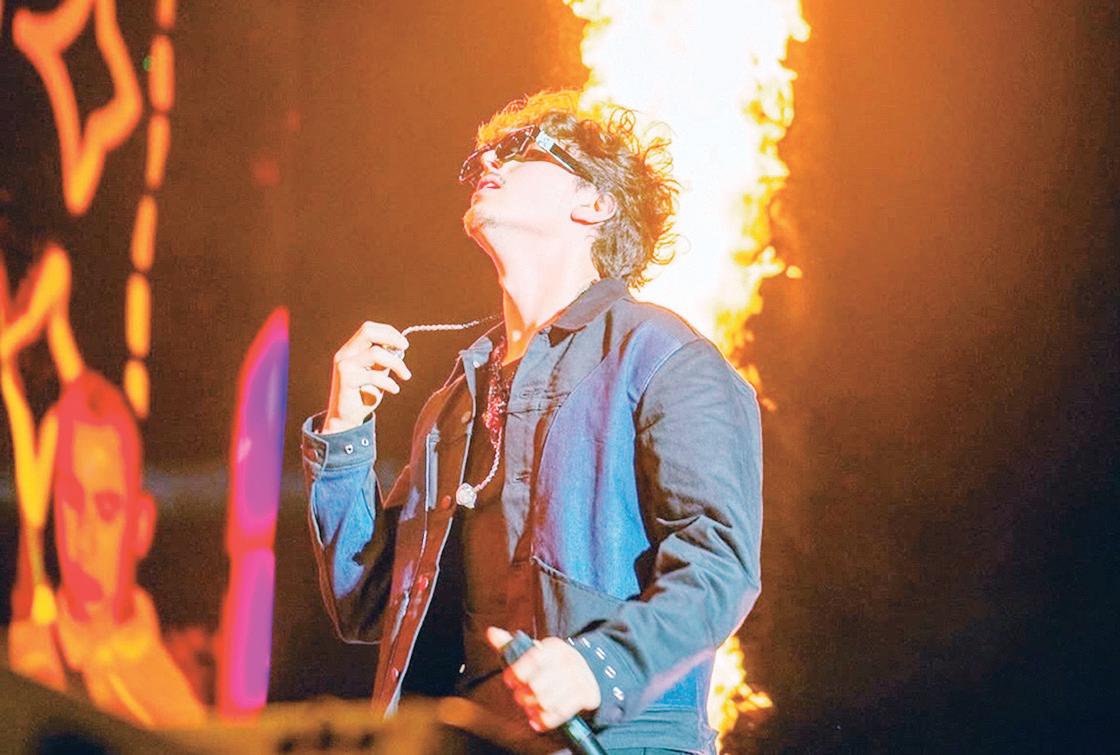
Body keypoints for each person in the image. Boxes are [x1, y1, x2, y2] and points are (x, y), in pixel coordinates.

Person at [302, 90, 762, 753]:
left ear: (594, 203)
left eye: (521, 150)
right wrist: (345, 429)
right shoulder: (454, 402)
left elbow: (720, 565)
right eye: (482, 157)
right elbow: (368, 603)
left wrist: (599, 665)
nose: (487, 161)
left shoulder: (664, 356)